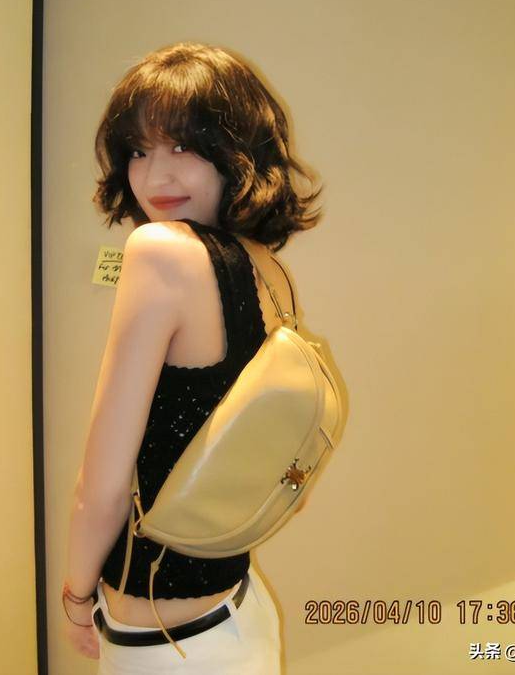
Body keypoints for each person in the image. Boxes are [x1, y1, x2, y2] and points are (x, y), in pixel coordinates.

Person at [61, 41, 323, 674]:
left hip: (169, 645)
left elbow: (100, 489)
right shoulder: (269, 269)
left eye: (182, 146)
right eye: (138, 151)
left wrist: (74, 598)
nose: (155, 177)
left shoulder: (160, 252)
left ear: (238, 151)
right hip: (239, 611)